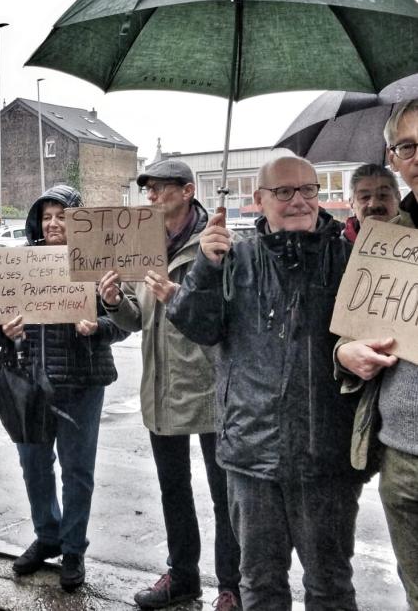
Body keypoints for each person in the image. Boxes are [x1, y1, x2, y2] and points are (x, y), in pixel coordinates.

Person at [168, 156, 366, 611]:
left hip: (326, 456)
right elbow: (198, 326)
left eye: (308, 190)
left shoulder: (348, 259)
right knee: (259, 584)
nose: (299, 201)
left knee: (331, 585)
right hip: (250, 456)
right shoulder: (234, 258)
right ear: (258, 200)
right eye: (284, 192)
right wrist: (205, 266)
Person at [98, 160, 240, 610]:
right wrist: (114, 301)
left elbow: (233, 316)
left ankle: (231, 587)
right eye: (148, 190)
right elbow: (138, 320)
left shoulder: (216, 242)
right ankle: (183, 577)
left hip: (212, 388)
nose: (152, 197)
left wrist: (184, 295)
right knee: (173, 489)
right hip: (161, 387)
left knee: (225, 496)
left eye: (159, 189)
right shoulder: (143, 245)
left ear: (187, 190)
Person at [0, 185, 128, 592]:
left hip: (83, 383)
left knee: (77, 471)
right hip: (31, 380)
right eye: (47, 216)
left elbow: (124, 321)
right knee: (33, 465)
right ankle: (47, 535)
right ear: (37, 221)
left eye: (62, 216)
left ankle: (73, 548)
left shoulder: (99, 263)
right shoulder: (23, 264)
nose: (54, 224)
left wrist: (97, 327)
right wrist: (6, 332)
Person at [335, 102, 418, 609]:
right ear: (394, 155)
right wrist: (349, 353)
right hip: (401, 454)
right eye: (408, 146)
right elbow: (350, 333)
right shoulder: (385, 239)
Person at [342, 163, 401, 242]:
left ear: (398, 198)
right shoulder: (335, 250)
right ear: (352, 204)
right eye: (365, 197)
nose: (374, 204)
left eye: (383, 195)